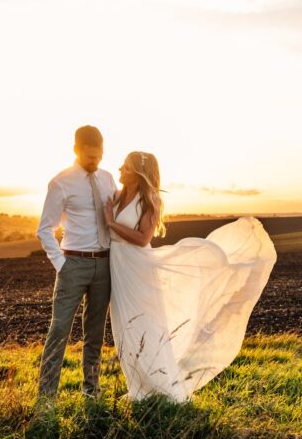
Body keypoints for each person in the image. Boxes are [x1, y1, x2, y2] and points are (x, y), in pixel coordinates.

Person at [104, 151, 276, 402]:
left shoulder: (149, 200)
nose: (120, 169)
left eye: (126, 167)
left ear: (138, 174)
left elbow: (143, 239)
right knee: (123, 327)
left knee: (144, 325)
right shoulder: (118, 196)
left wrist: (111, 222)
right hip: (119, 267)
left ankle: (161, 387)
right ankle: (138, 387)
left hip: (138, 267)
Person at [36, 125, 118, 400]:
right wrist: (62, 264)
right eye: (89, 157)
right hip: (73, 264)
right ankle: (47, 396)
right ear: (76, 150)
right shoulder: (60, 182)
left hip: (104, 265)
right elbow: (44, 229)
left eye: (99, 157)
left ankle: (91, 392)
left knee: (95, 333)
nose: (95, 162)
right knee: (59, 329)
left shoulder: (108, 179)